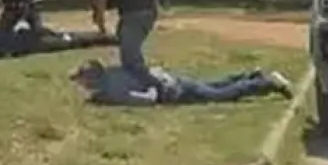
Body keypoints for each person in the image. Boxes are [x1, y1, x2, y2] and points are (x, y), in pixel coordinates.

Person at [69, 60, 294, 106]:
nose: (82, 87)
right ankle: (251, 75)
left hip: (173, 90)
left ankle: (267, 83)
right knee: (214, 85)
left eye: (82, 81)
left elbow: (149, 100)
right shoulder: (115, 70)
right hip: (171, 79)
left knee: (221, 95)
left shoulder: (113, 91)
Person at [0, 25, 117, 62]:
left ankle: (109, 38)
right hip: (28, 35)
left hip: (30, 42)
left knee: (70, 41)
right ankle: (107, 37)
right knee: (69, 37)